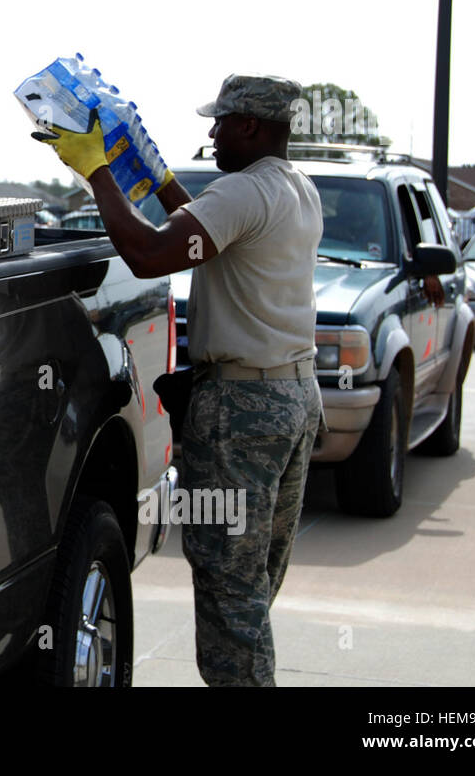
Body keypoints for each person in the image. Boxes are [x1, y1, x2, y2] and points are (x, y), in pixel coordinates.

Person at [41, 73, 323, 686]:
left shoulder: (242, 191)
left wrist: (98, 172)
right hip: (293, 397)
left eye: (220, 122)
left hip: (242, 411)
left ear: (250, 126)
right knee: (251, 588)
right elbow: (208, 238)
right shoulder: (295, 187)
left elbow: (148, 255)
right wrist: (162, 184)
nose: (214, 133)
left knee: (230, 593)